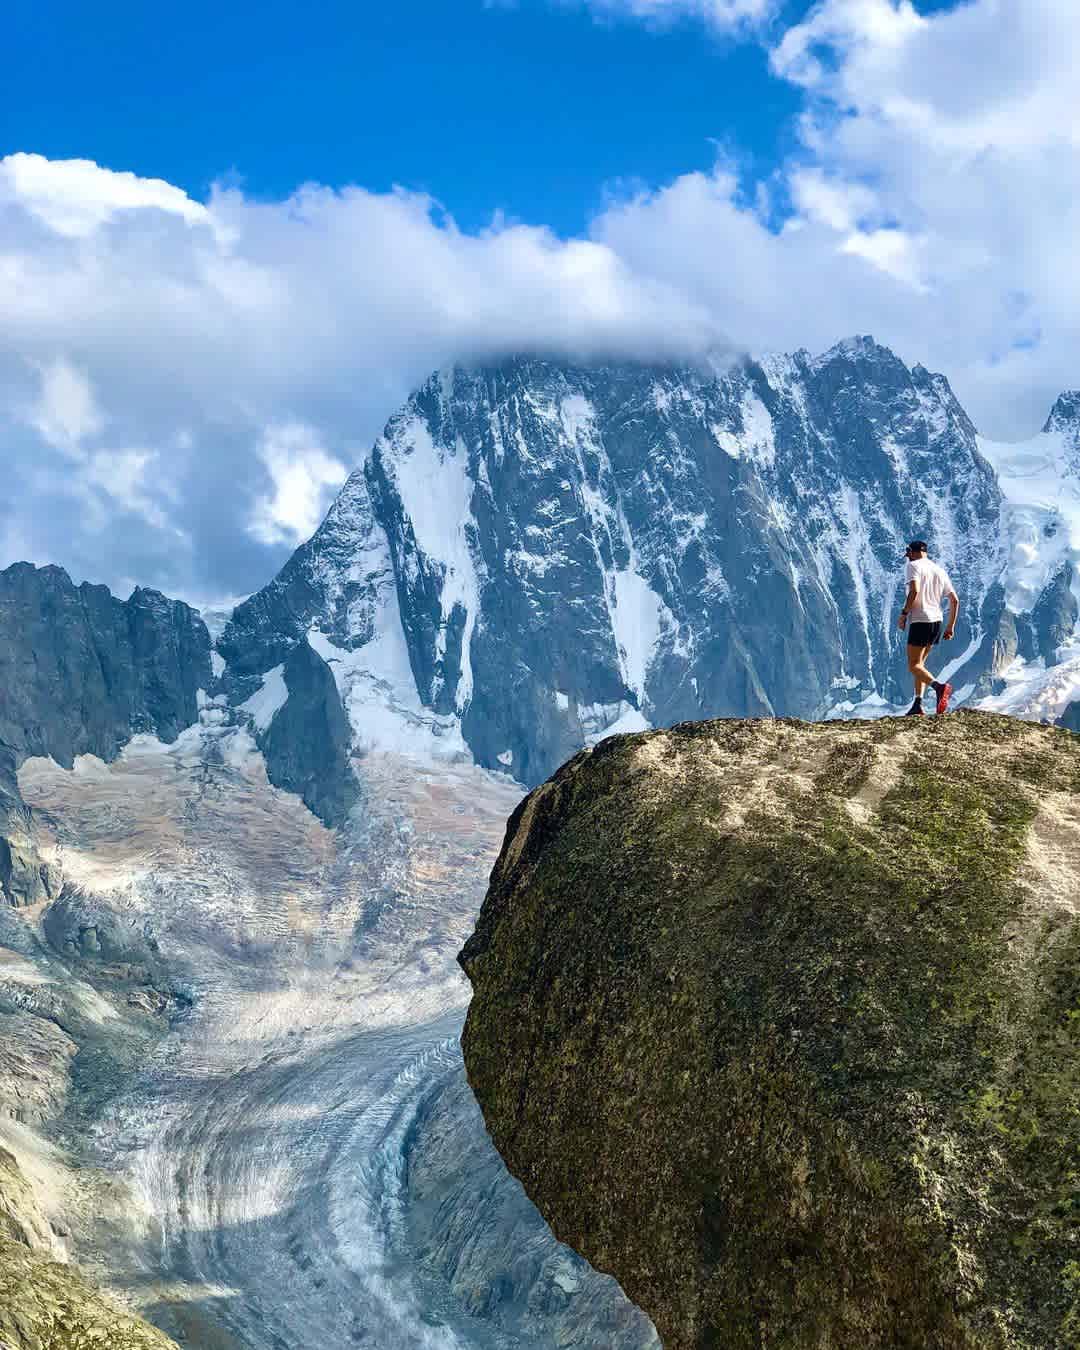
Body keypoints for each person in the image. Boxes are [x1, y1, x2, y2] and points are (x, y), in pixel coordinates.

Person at [897, 540, 959, 717]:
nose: (907, 558)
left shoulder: (913, 566)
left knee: (914, 665)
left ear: (913, 552)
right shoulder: (939, 570)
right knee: (921, 665)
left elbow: (914, 591)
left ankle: (939, 688)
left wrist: (904, 614)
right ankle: (917, 704)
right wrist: (950, 626)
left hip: (920, 620)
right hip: (937, 622)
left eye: (908, 554)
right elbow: (955, 600)